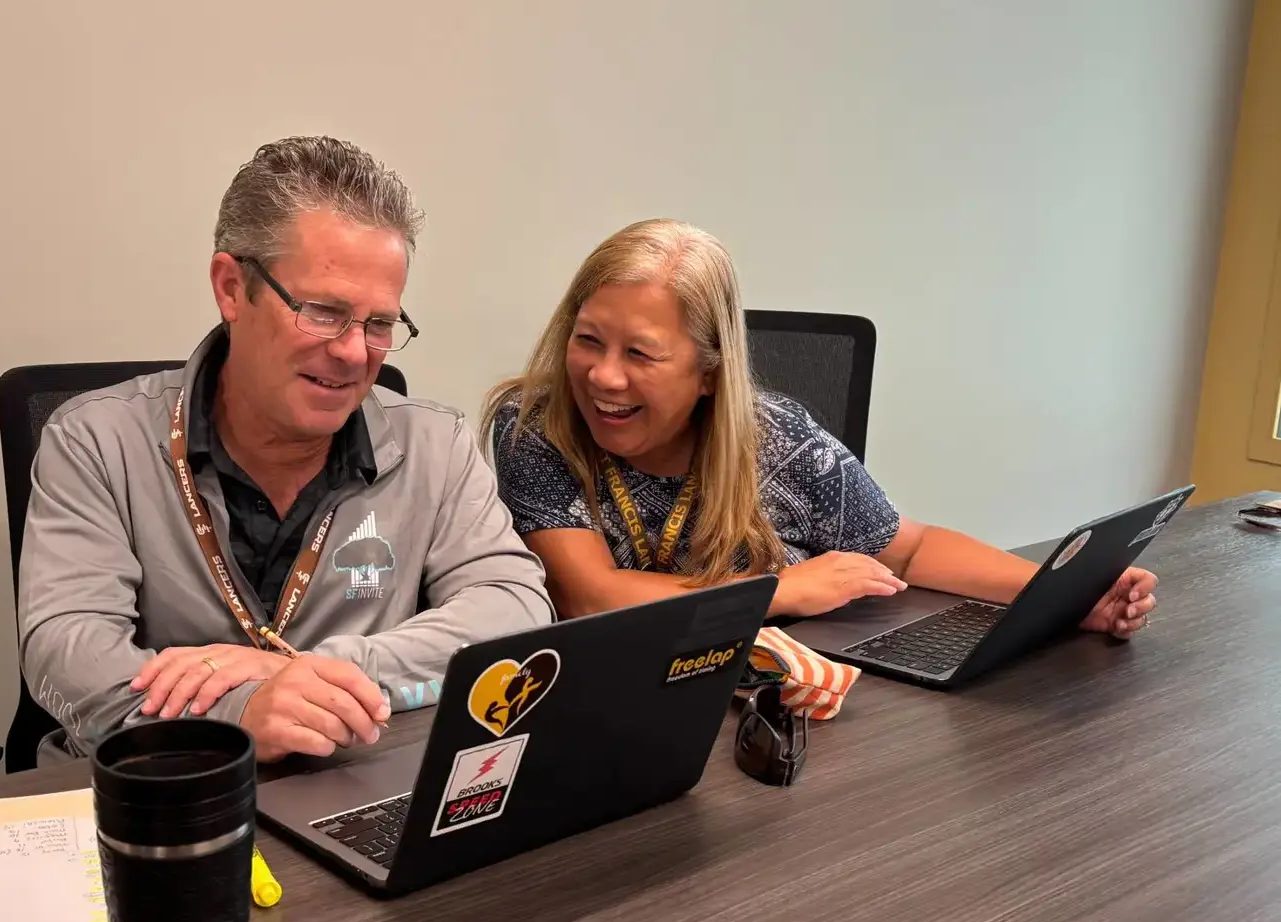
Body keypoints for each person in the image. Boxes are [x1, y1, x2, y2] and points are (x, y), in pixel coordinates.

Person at [19, 136, 552, 764]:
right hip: (165, 784)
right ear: (231, 289)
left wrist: (314, 673)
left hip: (356, 777)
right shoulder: (95, 440)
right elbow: (66, 651)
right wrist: (241, 710)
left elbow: (515, 609)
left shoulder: (437, 444)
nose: (354, 352)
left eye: (380, 323)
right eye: (323, 312)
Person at [484, 218, 1157, 635]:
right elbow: (589, 598)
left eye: (640, 354)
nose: (603, 377)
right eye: (588, 341)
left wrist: (1063, 596)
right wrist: (780, 590)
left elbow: (908, 550)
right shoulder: (537, 428)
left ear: (711, 370)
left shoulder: (777, 438)